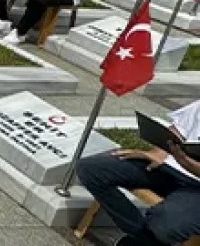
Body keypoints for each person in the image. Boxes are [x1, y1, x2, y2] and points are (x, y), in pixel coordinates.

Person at [76, 98, 200, 246]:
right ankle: (145, 239)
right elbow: (178, 130)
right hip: (168, 166)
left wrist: (188, 164)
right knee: (91, 169)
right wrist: (158, 152)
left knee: (165, 225)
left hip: (195, 185)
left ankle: (145, 239)